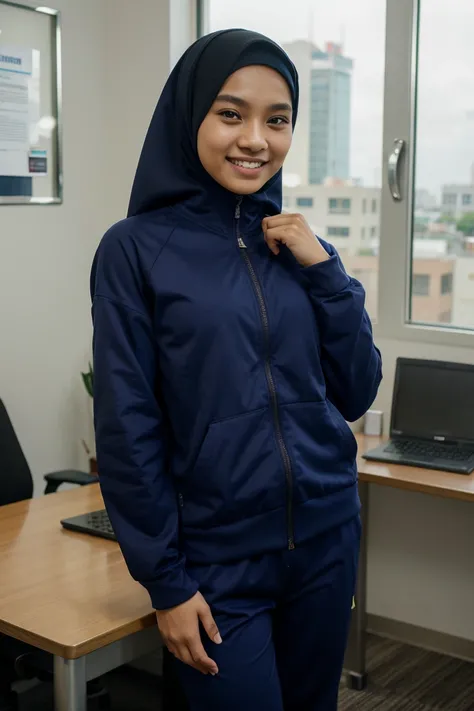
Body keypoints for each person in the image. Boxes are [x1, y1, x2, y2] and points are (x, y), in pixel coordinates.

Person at [90, 28, 382, 711]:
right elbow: (128, 425)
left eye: (276, 120)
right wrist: (165, 580)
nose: (256, 139)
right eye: (231, 114)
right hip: (218, 560)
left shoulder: (298, 245)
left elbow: (357, 389)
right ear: (191, 115)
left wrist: (329, 274)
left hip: (325, 537)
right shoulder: (134, 251)